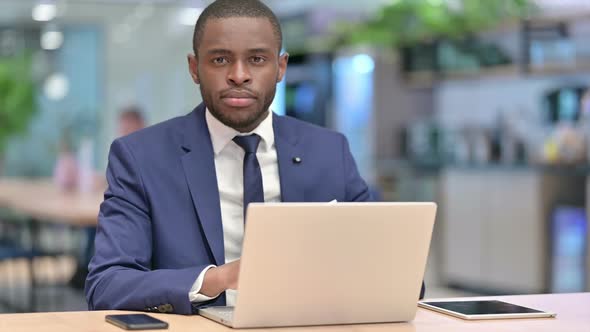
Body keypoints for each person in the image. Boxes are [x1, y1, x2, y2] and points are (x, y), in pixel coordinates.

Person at [85, 0, 423, 315]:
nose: (239, 74)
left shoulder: (328, 151)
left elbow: (402, 280)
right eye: (220, 60)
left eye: (257, 59)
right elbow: (107, 285)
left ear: (280, 66)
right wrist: (221, 278)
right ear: (194, 68)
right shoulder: (141, 157)